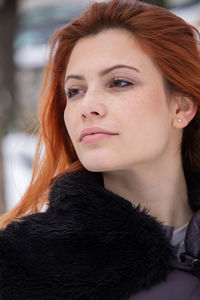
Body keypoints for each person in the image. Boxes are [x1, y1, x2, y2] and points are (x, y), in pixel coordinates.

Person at [1, 0, 200, 298]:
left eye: (119, 82)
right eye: (75, 91)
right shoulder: (20, 265)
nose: (87, 106)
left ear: (181, 107)